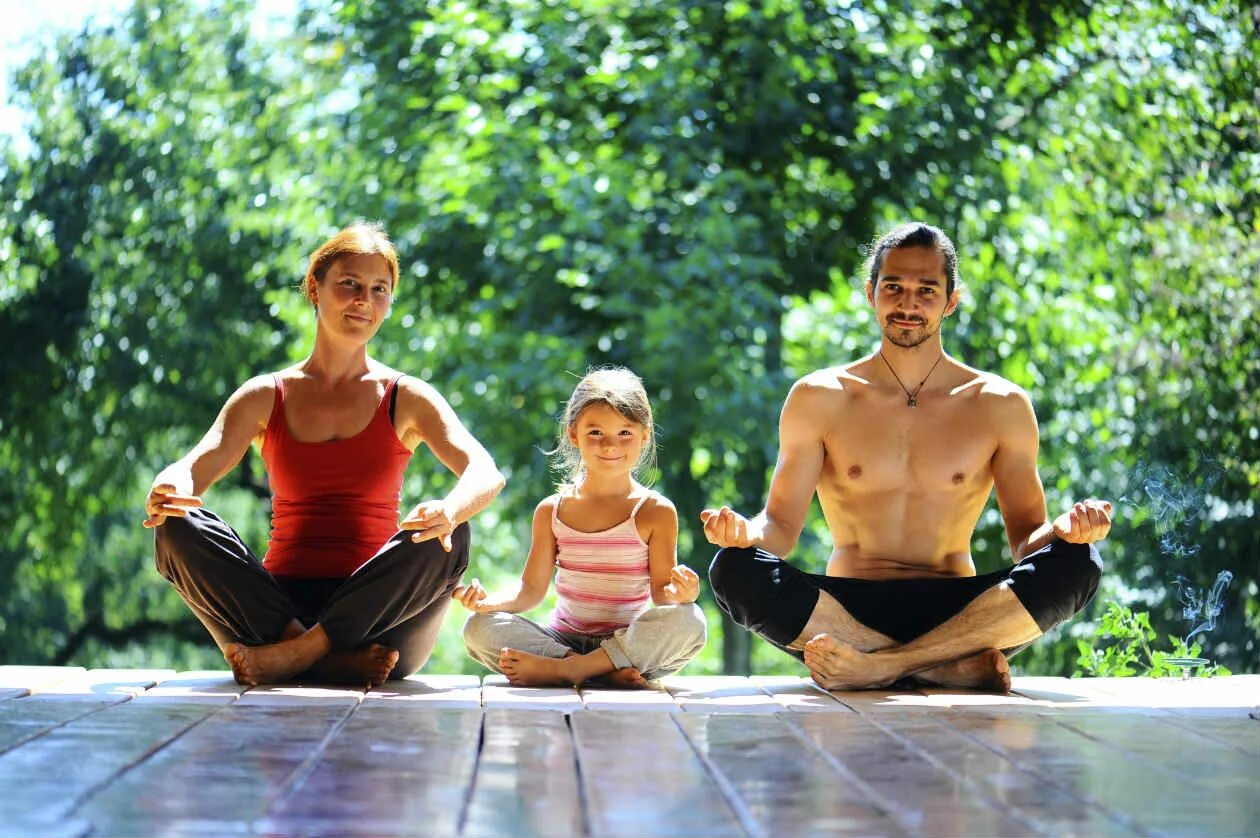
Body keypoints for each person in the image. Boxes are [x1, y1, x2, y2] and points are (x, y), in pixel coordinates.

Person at [701, 222, 1112, 692]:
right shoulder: (819, 397)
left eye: (926, 290)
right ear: (870, 292)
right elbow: (779, 528)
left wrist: (1067, 531)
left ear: (951, 300)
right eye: (893, 287)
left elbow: (1025, 544)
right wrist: (742, 533)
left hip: (962, 609)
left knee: (1080, 562)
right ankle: (937, 668)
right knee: (733, 567)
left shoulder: (1000, 404)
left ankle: (879, 666)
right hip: (845, 608)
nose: (908, 304)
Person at [144, 222, 505, 687]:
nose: (364, 301)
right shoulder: (264, 395)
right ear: (315, 288)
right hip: (273, 611)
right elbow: (194, 467)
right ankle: (315, 652)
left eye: (379, 290)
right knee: (175, 523)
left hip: (381, 619)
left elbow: (485, 472)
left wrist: (449, 510)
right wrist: (171, 483)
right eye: (350, 284)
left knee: (448, 535)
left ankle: (305, 653)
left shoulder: (406, 396)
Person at [455, 367, 707, 688]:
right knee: (478, 628)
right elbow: (530, 591)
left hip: (627, 643)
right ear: (574, 435)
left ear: (645, 436)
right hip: (562, 640)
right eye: (596, 433)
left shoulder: (656, 512)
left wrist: (682, 594)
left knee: (690, 621)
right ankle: (585, 668)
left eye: (625, 433)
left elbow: (662, 593)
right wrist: (488, 603)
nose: (610, 445)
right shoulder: (551, 511)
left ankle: (572, 671)